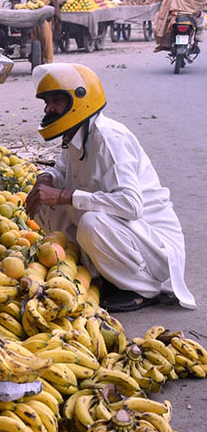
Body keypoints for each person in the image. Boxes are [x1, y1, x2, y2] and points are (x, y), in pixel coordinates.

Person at [26, 63, 195, 313]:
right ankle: (100, 270)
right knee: (43, 200)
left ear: (79, 100)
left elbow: (131, 204)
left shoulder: (109, 139)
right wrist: (45, 179)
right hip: (124, 233)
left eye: (56, 101)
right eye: (47, 102)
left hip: (151, 242)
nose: (48, 108)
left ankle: (143, 288)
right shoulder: (76, 134)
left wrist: (64, 195)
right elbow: (62, 170)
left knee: (92, 223)